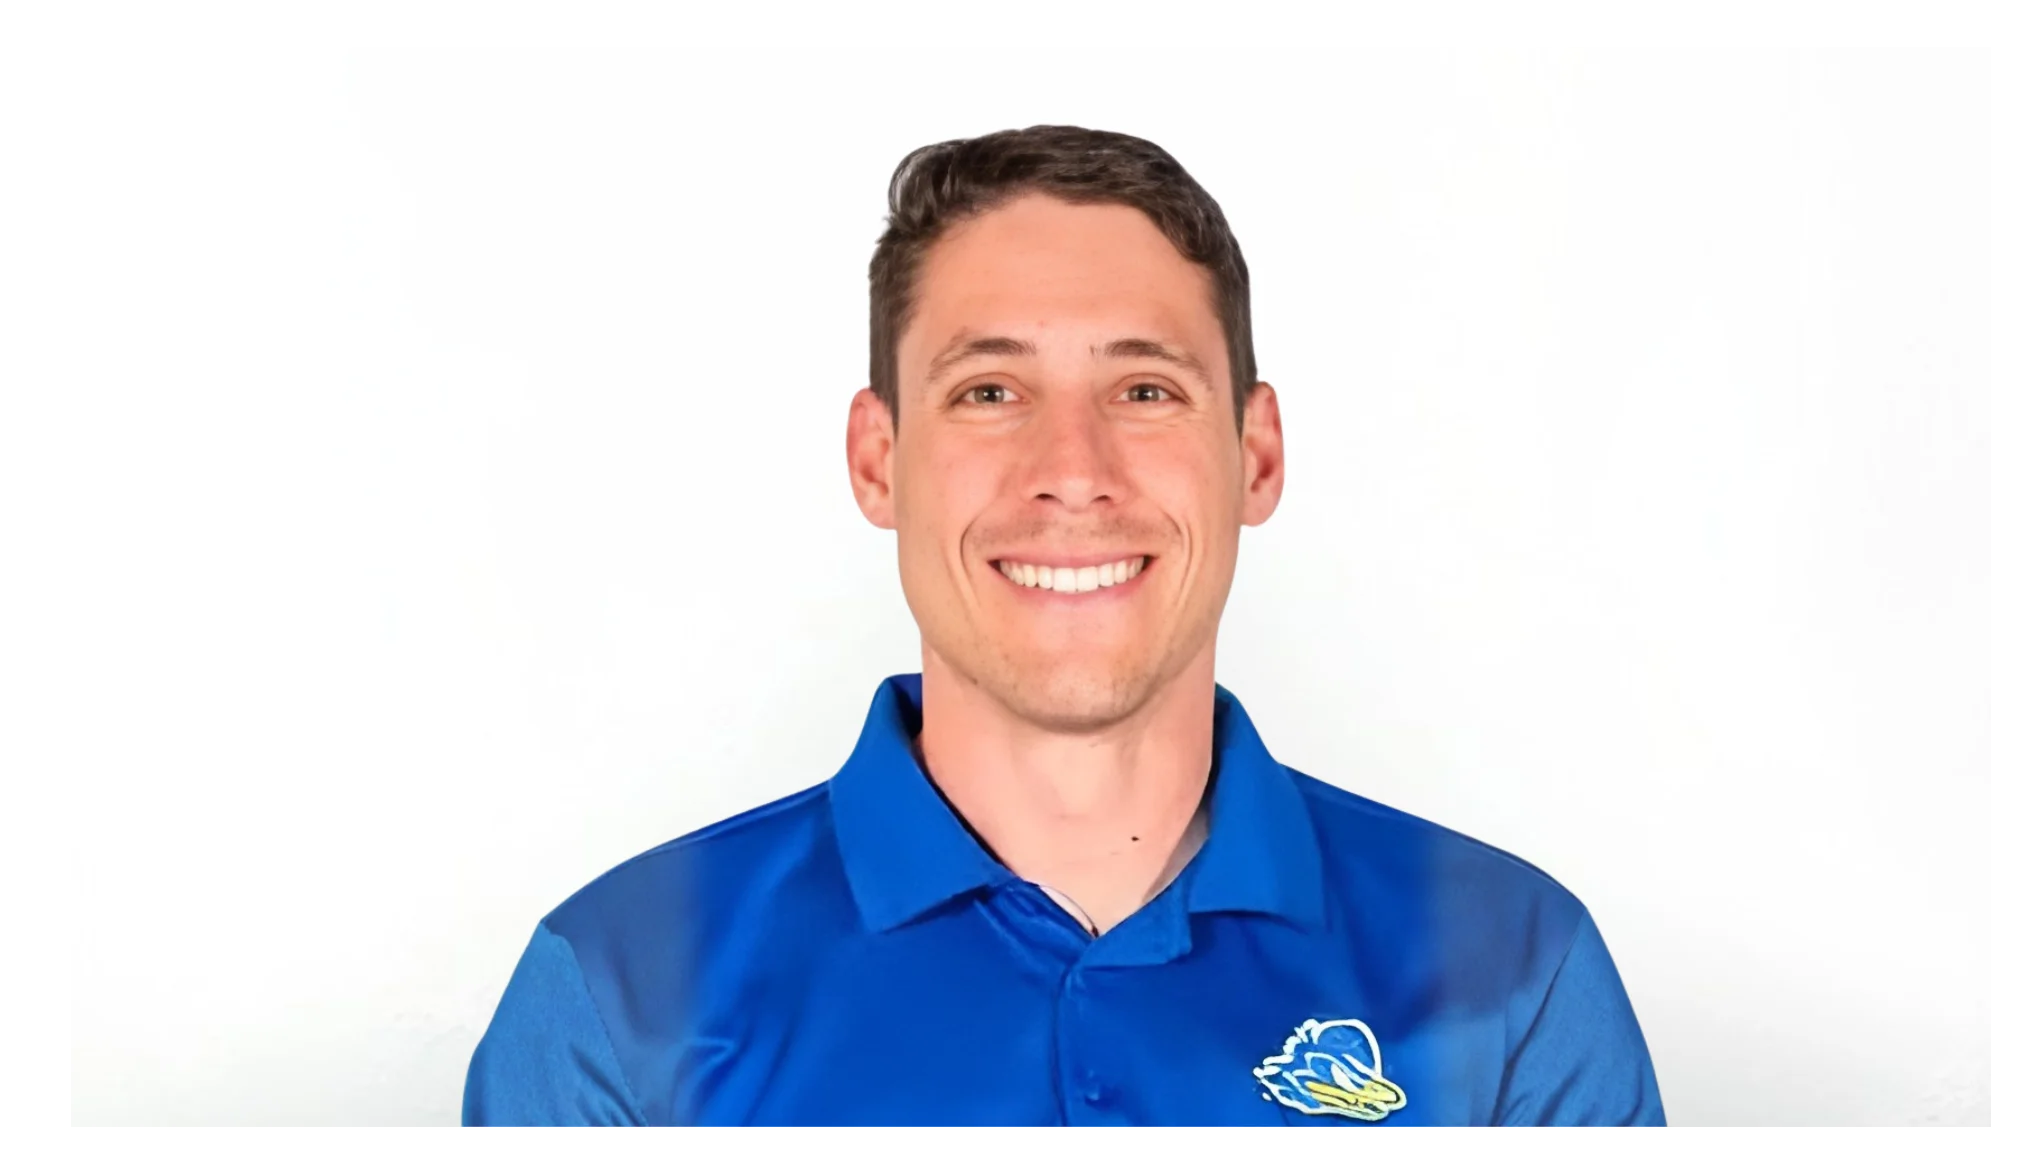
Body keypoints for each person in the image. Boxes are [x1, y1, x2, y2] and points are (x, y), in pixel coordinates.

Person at [462, 125, 1664, 1127]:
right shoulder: (623, 992)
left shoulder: (1509, 967)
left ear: (1254, 454)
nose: (1073, 471)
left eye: (1144, 390)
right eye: (990, 392)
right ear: (878, 461)